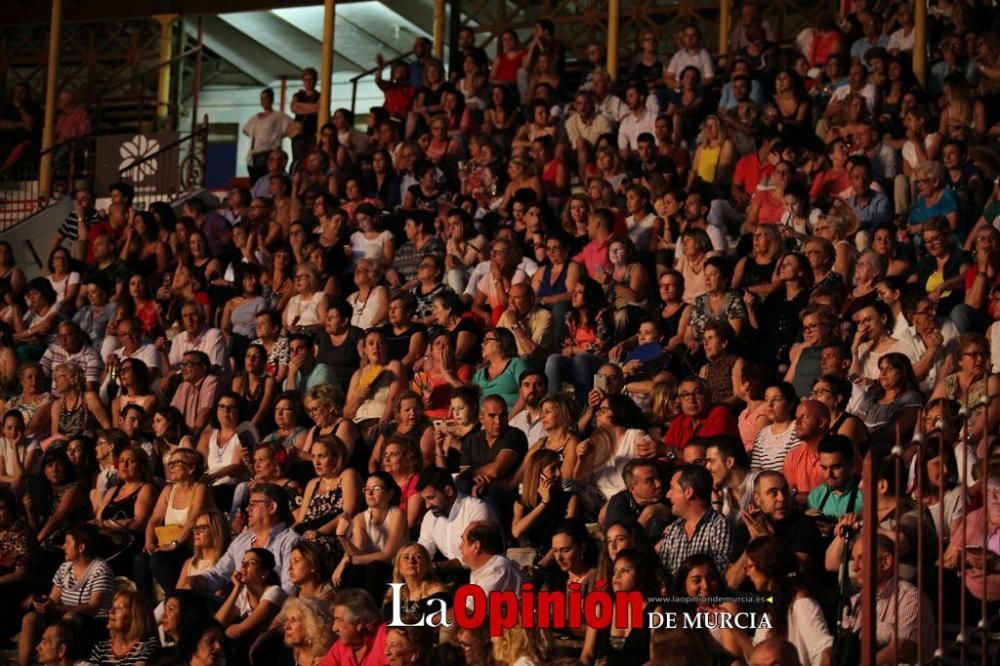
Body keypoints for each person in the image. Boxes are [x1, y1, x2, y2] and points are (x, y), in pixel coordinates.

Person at [192, 483, 300, 595]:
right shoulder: (241, 540)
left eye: (254, 504)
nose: (248, 509)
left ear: (272, 507)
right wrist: (198, 581)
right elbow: (220, 574)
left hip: (274, 608)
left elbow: (289, 588)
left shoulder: (291, 541)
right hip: (239, 608)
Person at [842, 534, 935, 664]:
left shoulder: (911, 597)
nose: (854, 567)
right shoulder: (855, 601)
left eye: (862, 558)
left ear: (886, 561)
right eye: (853, 559)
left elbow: (900, 650)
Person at [745, 536, 833, 666]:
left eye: (748, 566)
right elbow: (757, 654)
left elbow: (824, 650)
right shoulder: (770, 604)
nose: (747, 573)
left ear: (764, 565)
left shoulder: (801, 601)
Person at [332, 471, 407, 600]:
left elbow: (386, 555)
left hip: (393, 568)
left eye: (376, 489)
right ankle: (348, 610)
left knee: (373, 567)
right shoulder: (360, 518)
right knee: (355, 571)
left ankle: (372, 615)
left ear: (390, 494)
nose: (370, 493)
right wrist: (342, 537)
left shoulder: (397, 514)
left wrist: (347, 560)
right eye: (367, 489)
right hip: (369, 568)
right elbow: (358, 553)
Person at [658, 464, 732, 577]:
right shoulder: (673, 529)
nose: (668, 495)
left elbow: (721, 571)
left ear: (688, 492)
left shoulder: (719, 524)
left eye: (672, 488)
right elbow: (663, 572)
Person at [85, 589, 160, 665]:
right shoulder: (101, 647)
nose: (111, 611)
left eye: (119, 608)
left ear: (136, 616)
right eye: (112, 606)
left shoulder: (149, 646)